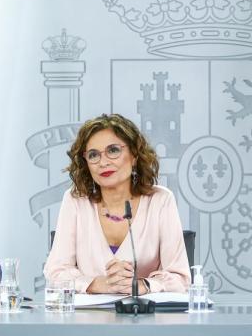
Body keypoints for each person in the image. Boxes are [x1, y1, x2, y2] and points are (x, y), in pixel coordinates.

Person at [44, 114, 191, 294]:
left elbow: (181, 279)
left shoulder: (160, 200)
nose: (103, 162)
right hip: (87, 312)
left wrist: (142, 285)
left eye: (113, 150)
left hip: (144, 310)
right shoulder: (75, 201)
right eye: (93, 155)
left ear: (134, 155)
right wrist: (98, 284)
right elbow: (56, 273)